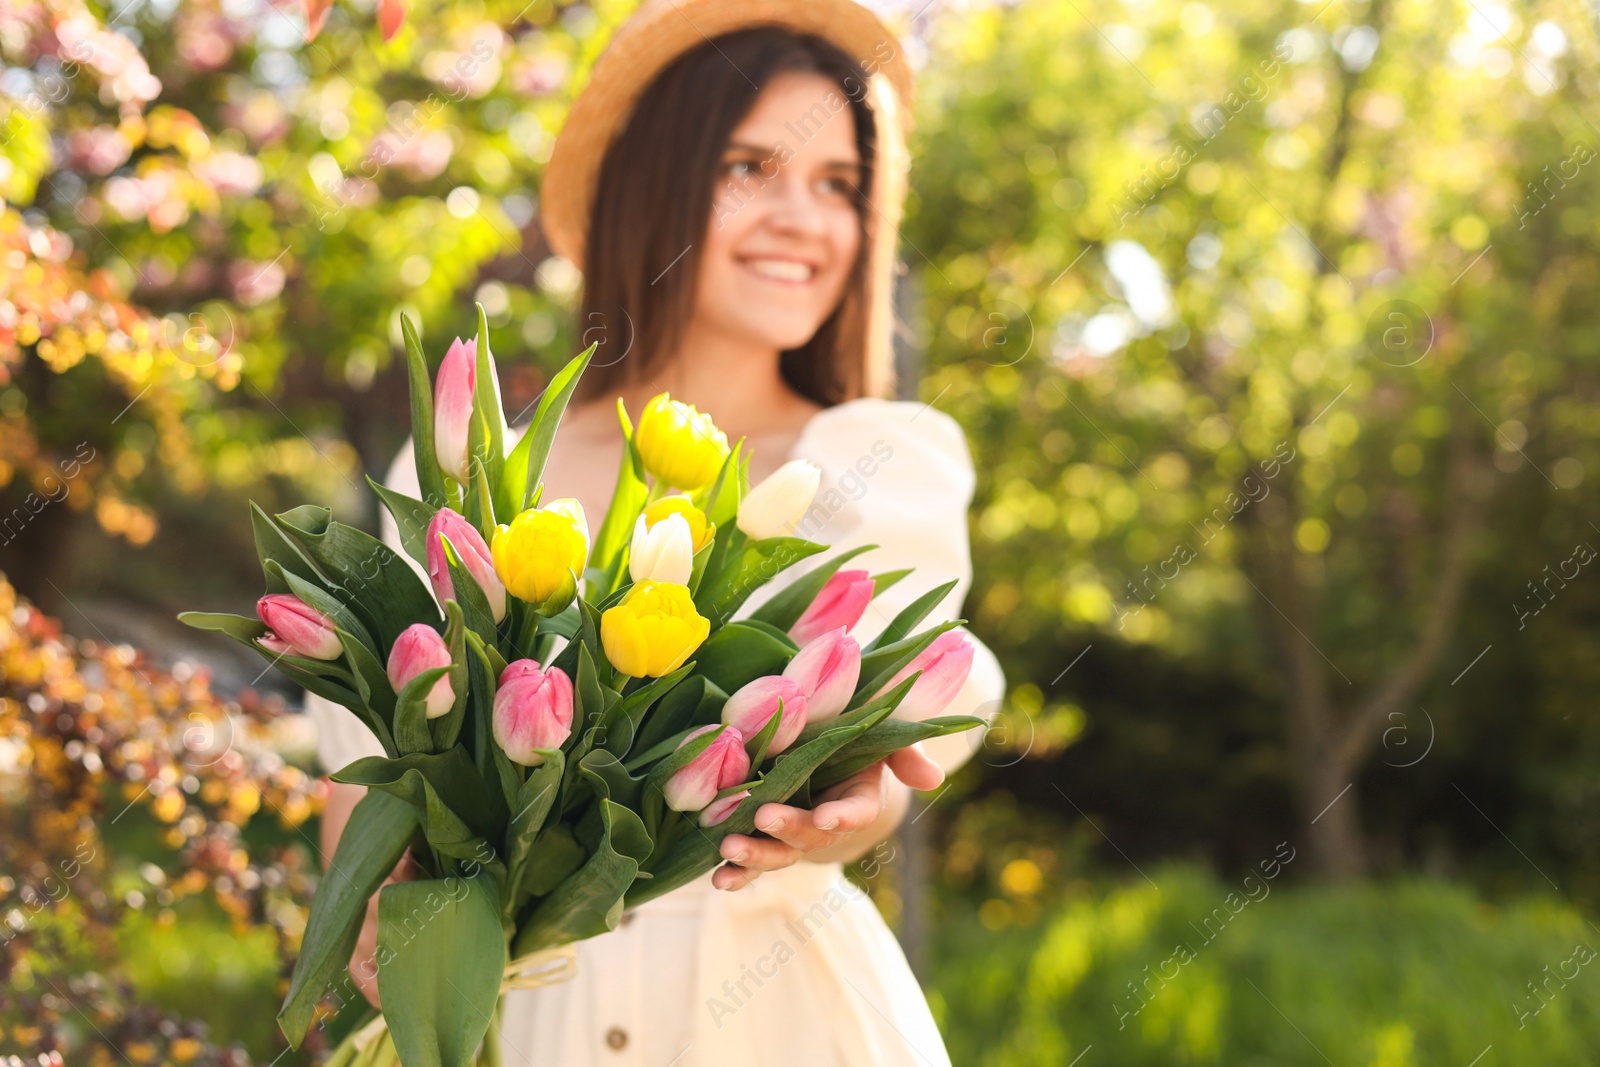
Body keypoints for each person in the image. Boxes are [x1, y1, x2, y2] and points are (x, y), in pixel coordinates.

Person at [305, 2, 1007, 1063]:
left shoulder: (877, 463)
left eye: (838, 186)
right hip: (518, 1013)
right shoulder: (476, 469)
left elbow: (896, 720)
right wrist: (382, 959)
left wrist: (860, 811)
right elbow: (363, 780)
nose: (801, 218)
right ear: (658, 180)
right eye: (748, 167)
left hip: (773, 1013)